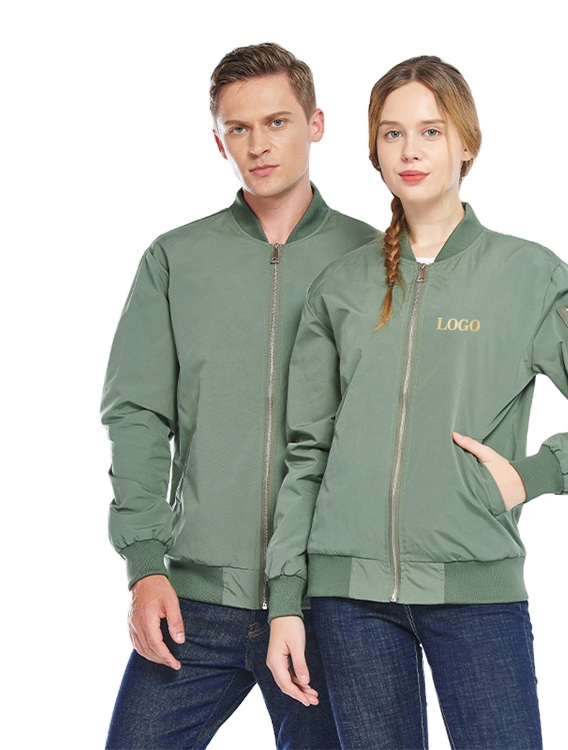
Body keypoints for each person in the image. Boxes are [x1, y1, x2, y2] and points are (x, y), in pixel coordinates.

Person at [265, 55, 568, 750]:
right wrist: (286, 599)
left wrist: (534, 475)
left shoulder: (528, 275)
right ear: (374, 150)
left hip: (476, 593)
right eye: (393, 133)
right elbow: (306, 453)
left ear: (466, 144)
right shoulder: (341, 287)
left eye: (431, 131)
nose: (411, 150)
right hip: (347, 600)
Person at [101, 42, 378, 749]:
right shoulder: (175, 259)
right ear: (218, 139)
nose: (258, 145)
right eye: (238, 128)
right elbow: (137, 416)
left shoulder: (374, 259)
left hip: (327, 603)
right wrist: (145, 564)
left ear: (316, 124)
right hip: (196, 599)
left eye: (277, 122)